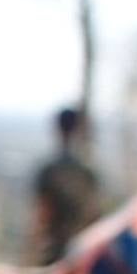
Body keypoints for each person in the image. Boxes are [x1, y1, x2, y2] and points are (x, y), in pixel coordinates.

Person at [33, 106, 100, 264]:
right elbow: (94, 215)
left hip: (53, 254)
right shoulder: (87, 173)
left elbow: (42, 216)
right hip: (81, 256)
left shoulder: (50, 171)